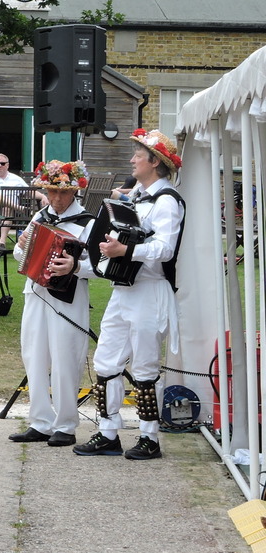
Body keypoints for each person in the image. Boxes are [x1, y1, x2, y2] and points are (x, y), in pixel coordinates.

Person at [74, 129, 184, 461]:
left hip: (150, 291)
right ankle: (108, 432)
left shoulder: (167, 201)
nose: (132, 159)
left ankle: (150, 438)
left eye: (138, 155)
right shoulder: (136, 195)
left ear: (155, 162)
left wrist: (126, 249)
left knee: (146, 365)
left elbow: (165, 249)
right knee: (105, 361)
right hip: (124, 290)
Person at [9, 160, 93, 447]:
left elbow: (102, 265)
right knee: (34, 355)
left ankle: (66, 425)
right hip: (35, 294)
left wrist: (76, 266)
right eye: (51, 192)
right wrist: (20, 247)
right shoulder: (39, 217)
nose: (56, 199)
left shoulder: (88, 222)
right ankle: (40, 421)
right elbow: (20, 259)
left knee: (66, 358)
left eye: (63, 193)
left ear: (74, 193)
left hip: (68, 297)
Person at [0, 154, 35, 245]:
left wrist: (43, 196)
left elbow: (28, 192)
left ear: (7, 165)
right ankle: (18, 207)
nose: (0, 166)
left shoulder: (16, 179)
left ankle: (2, 242)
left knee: (6, 207)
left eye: (2, 163)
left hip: (10, 211)